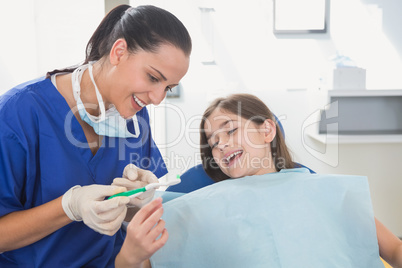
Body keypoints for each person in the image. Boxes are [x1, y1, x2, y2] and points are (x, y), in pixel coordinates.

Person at [0, 4, 191, 267]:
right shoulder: (19, 113)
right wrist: (70, 206)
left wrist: (136, 202)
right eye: (152, 77)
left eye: (168, 88)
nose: (158, 99)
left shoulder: (135, 118)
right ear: (119, 52)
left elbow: (132, 220)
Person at [116, 93, 402, 267]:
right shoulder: (200, 208)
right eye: (213, 142)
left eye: (230, 131)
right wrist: (130, 253)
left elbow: (394, 249)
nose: (221, 145)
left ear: (267, 131)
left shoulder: (321, 192)